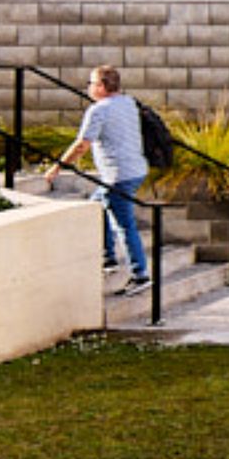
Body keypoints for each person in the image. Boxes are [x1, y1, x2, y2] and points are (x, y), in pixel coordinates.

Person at [46, 65, 149, 291]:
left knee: (124, 225)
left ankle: (140, 274)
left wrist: (56, 168)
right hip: (136, 169)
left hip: (117, 175)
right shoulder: (128, 102)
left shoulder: (99, 110)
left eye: (91, 83)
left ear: (101, 87)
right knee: (97, 205)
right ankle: (107, 257)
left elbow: (82, 144)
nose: (88, 87)